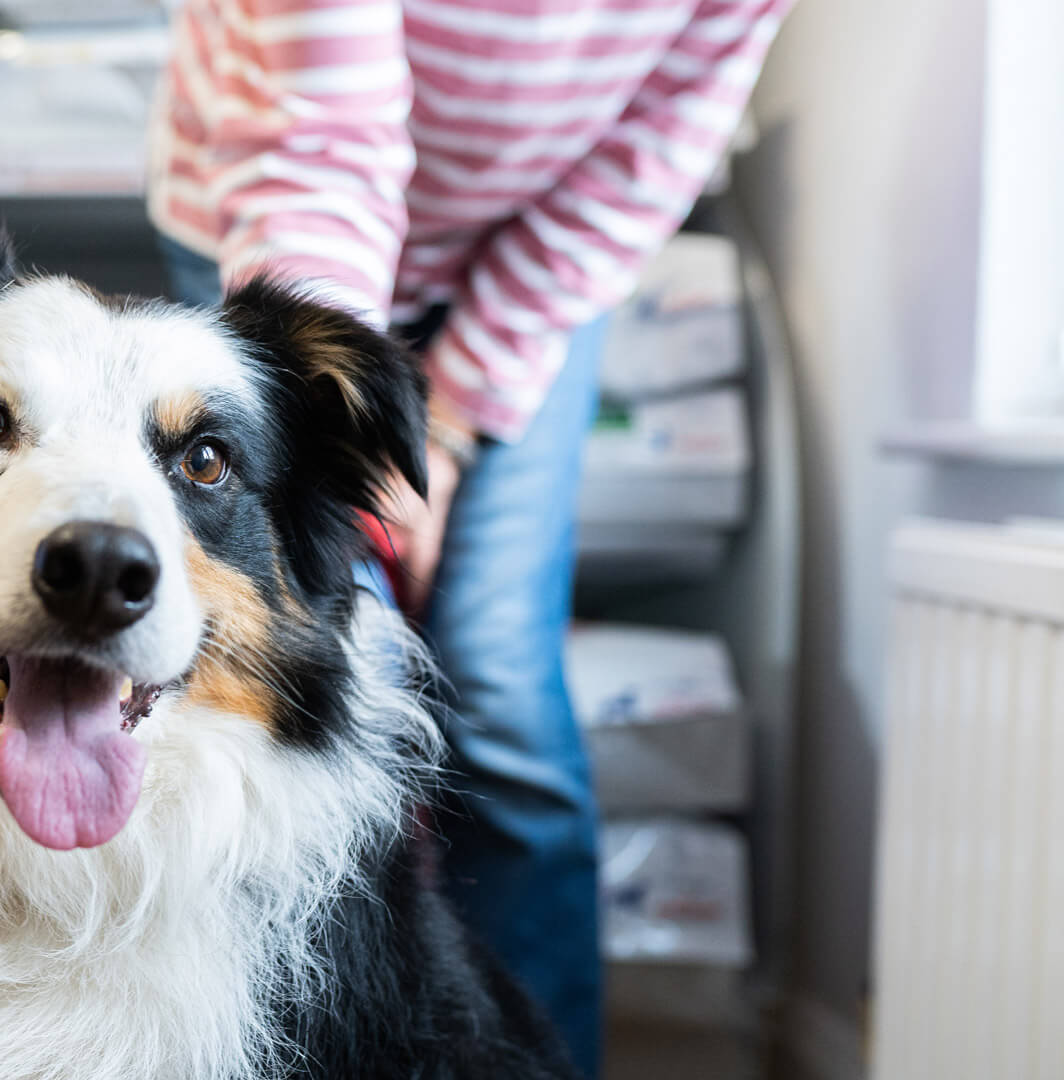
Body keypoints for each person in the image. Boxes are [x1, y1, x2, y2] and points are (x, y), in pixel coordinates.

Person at [148, 0, 791, 1074]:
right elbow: (322, 142)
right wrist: (347, 451)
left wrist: (445, 426)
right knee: (316, 674)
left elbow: (632, 169)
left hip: (528, 252)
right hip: (277, 211)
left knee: (501, 689)